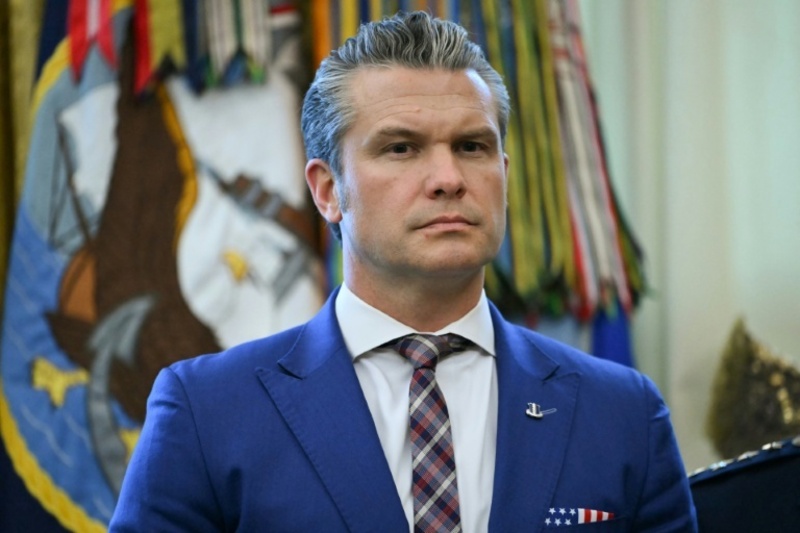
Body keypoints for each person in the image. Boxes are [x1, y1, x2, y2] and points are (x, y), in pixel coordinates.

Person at [110, 11, 697, 532]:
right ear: (328, 191)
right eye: (401, 148)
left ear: (504, 171)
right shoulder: (207, 411)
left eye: (472, 147)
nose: (448, 178)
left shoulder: (622, 413)